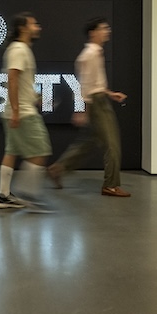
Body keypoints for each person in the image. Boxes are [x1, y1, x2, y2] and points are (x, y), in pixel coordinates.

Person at [48, 17, 130, 197]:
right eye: (103, 28)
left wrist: (109, 93)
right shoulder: (90, 55)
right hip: (97, 104)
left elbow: (94, 84)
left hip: (100, 99)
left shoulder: (95, 53)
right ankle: (110, 185)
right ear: (93, 33)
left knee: (91, 141)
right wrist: (81, 110)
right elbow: (84, 86)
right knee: (112, 145)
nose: (107, 31)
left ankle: (59, 168)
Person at [0, 12, 54, 213]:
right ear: (23, 28)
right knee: (40, 151)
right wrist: (17, 111)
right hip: (22, 113)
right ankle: (29, 195)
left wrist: (37, 98)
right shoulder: (19, 49)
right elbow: (12, 79)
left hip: (16, 110)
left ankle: (3, 196)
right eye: (34, 24)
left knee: (11, 152)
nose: (38, 27)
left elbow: (22, 82)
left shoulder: (20, 49)